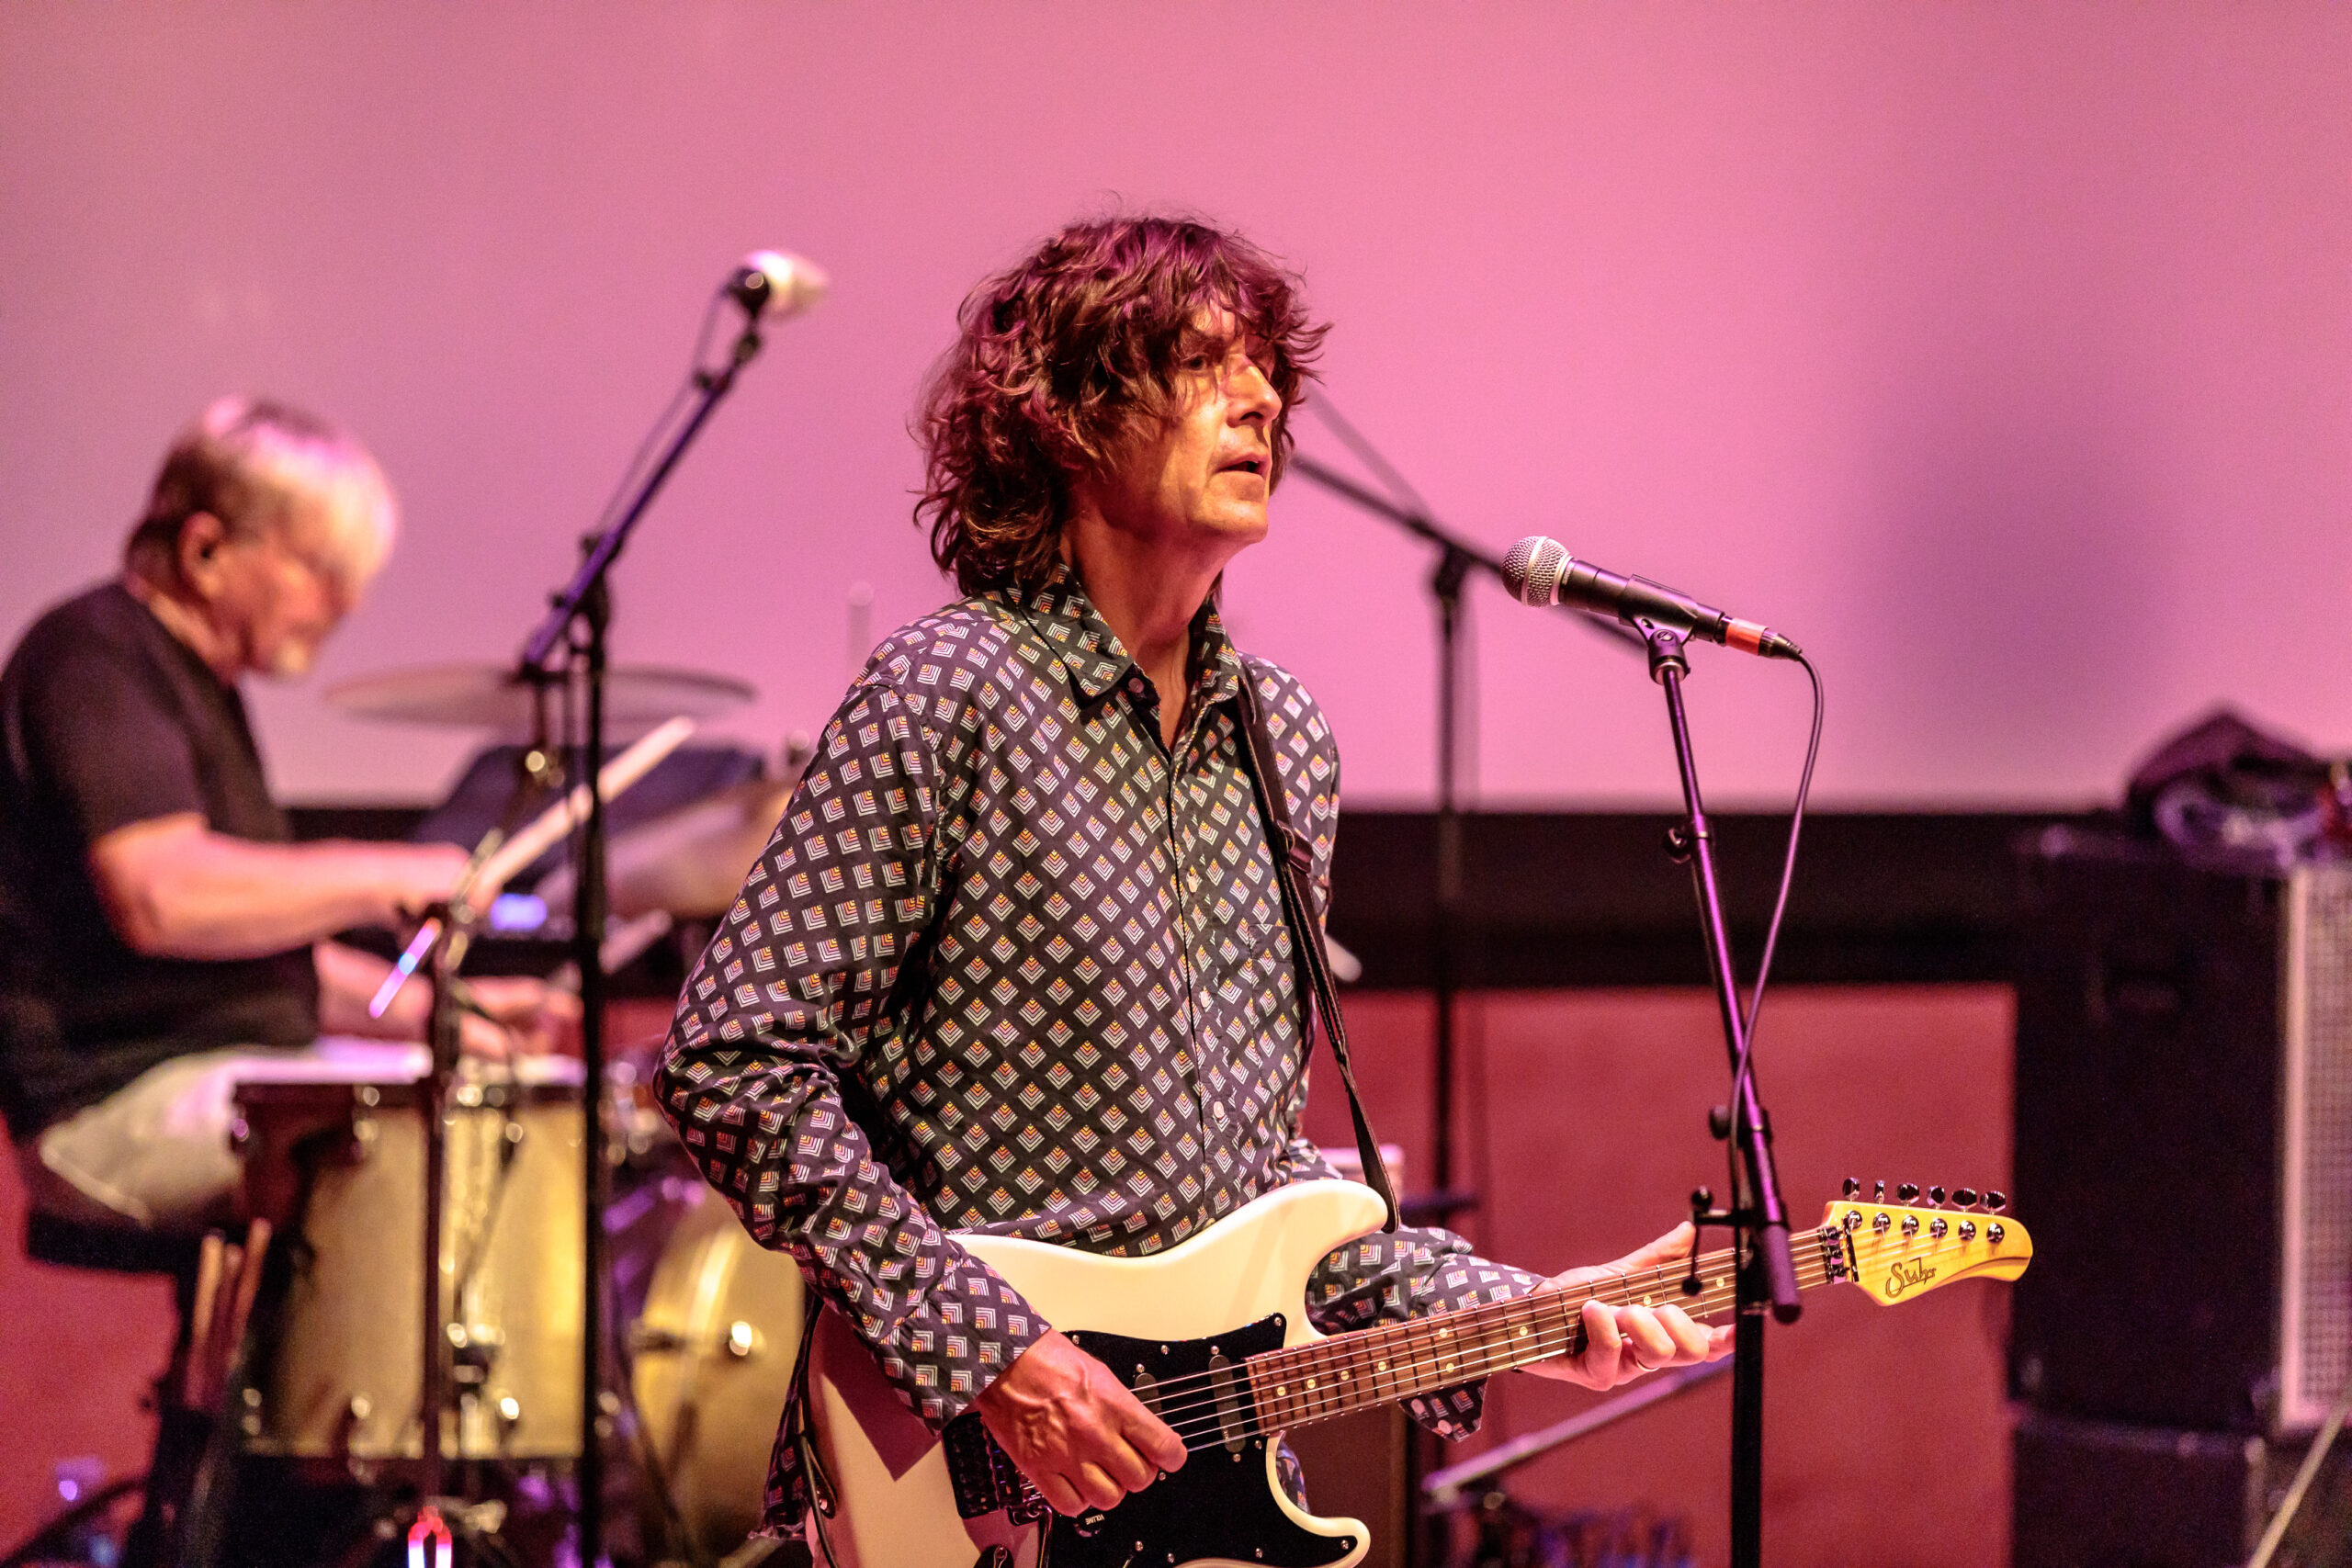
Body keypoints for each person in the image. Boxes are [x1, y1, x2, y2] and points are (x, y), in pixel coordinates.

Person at [657, 214, 1729, 1540]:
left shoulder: (1281, 739)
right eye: (1203, 364)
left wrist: (1525, 1316)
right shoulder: (951, 692)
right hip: (963, 1486)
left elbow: (1263, 1202)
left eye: (1266, 368)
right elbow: (732, 1059)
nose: (1261, 397)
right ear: (1069, 419)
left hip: (1192, 1498)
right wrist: (991, 1352)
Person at [0, 395, 575, 1235]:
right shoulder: (93, 658)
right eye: (321, 570)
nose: (347, 603)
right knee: (439, 1141)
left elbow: (265, 967)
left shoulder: (200, 687)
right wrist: (382, 871)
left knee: (521, 1112)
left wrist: (442, 1013)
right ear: (205, 549)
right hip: (114, 1101)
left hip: (219, 1070)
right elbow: (161, 896)